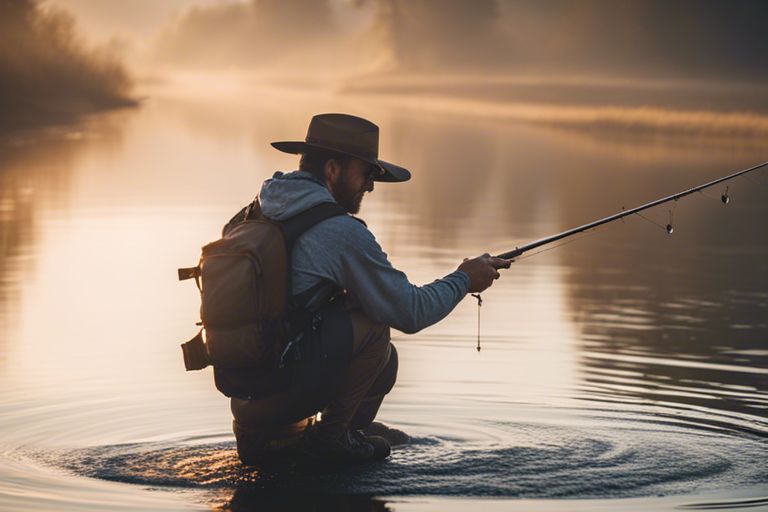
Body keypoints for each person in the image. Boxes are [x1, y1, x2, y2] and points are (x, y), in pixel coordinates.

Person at [230, 113, 511, 464]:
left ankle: (301, 437)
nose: (371, 185)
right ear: (333, 169)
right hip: (282, 395)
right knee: (376, 326)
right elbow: (410, 311)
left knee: (358, 318)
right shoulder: (337, 231)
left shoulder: (256, 211)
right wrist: (464, 278)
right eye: (366, 173)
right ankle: (331, 440)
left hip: (246, 402)